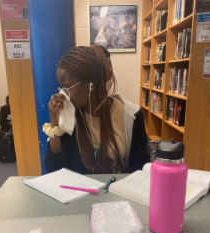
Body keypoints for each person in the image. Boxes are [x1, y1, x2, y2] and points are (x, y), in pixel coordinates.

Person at [45, 44, 150, 174]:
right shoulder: (69, 116)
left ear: (91, 84)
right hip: (82, 192)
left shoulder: (131, 115)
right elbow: (54, 170)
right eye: (61, 88)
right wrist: (55, 123)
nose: (63, 95)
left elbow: (141, 166)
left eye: (67, 88)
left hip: (119, 190)